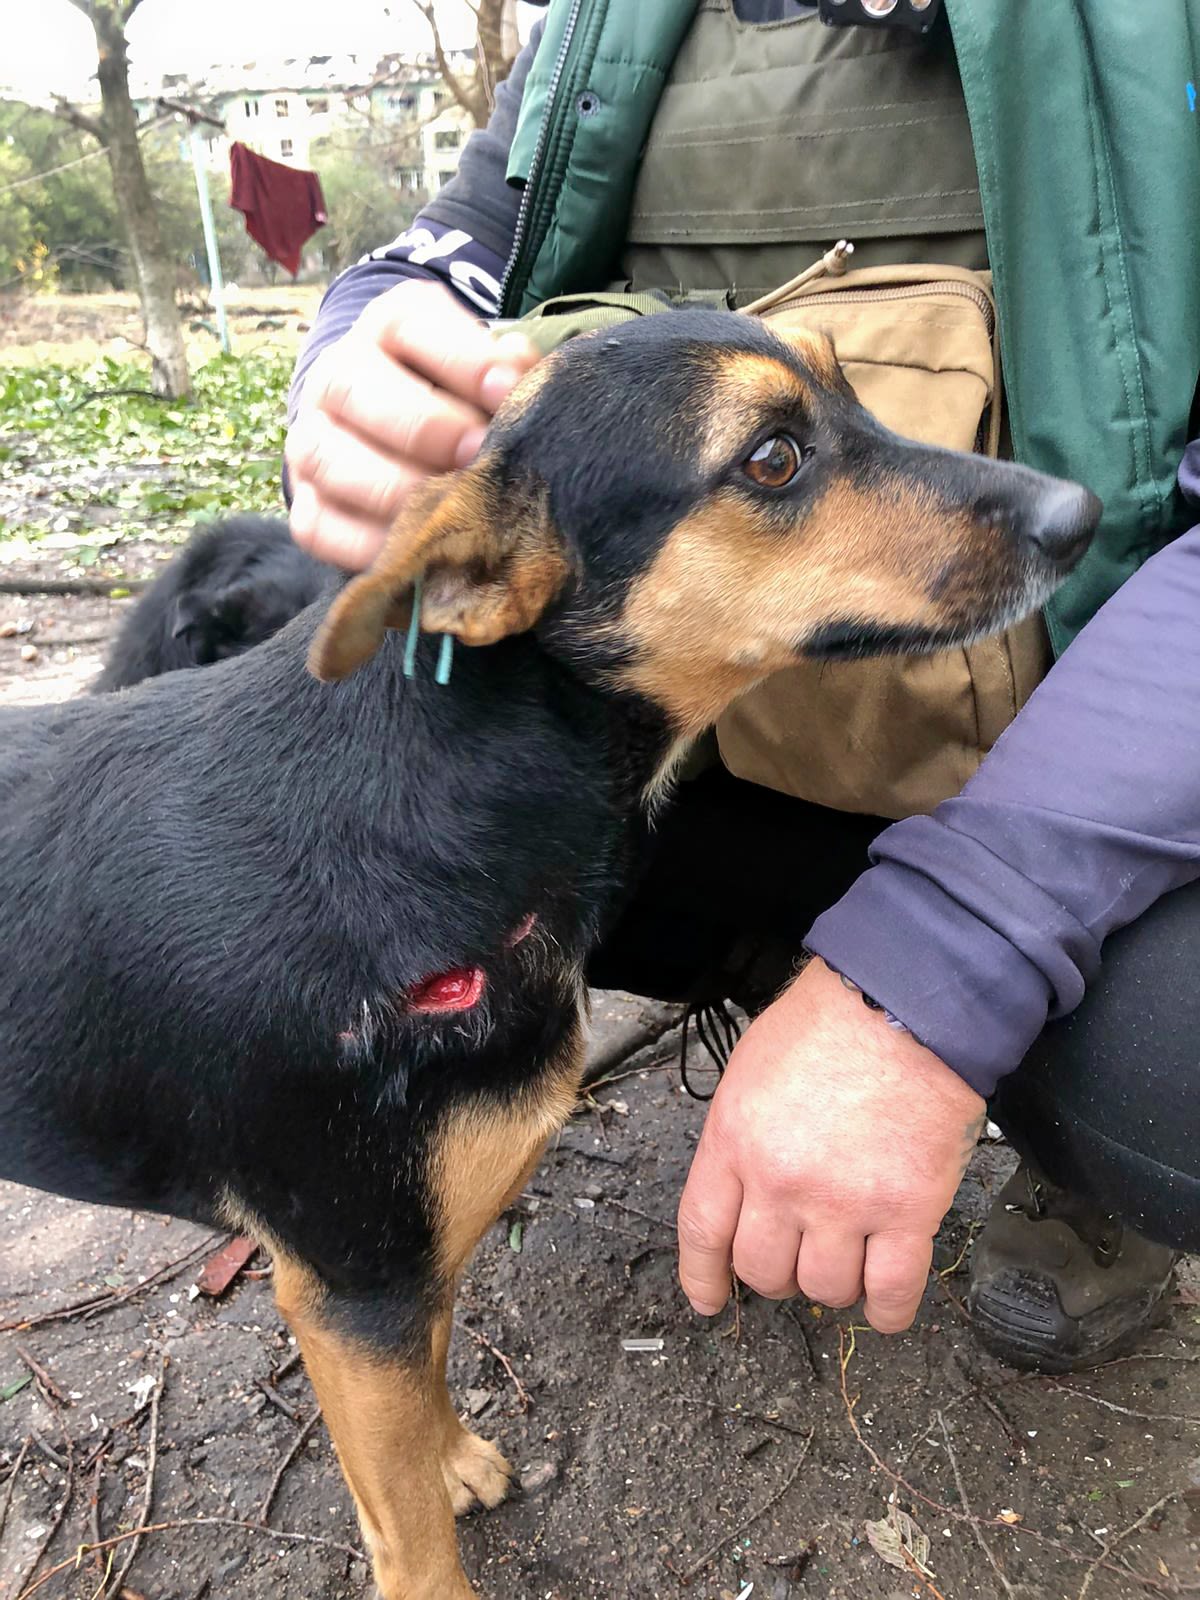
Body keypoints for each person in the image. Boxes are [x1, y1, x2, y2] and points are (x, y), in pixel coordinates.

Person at [283, 0, 1200, 1374]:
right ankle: (751, 964)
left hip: (1082, 762)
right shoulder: (607, 25)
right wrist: (359, 351)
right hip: (715, 746)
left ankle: (1056, 1111)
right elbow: (451, 247)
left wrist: (939, 973)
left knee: (1175, 1069)